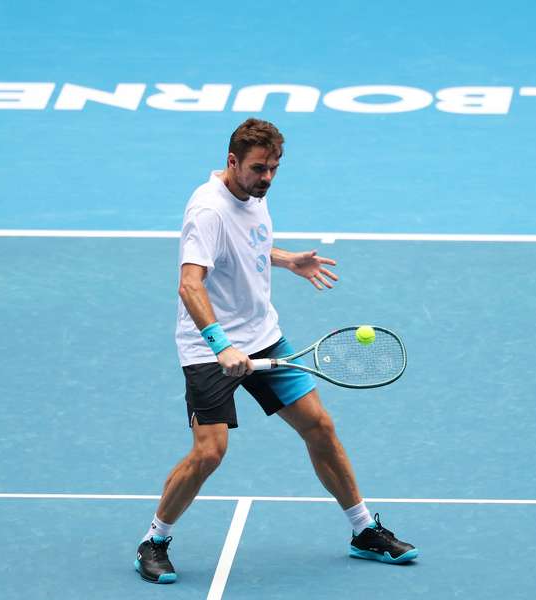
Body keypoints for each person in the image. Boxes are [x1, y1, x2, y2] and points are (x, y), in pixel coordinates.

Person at [134, 118, 417, 584]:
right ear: (232, 162)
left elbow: (249, 246)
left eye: (274, 169)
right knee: (209, 453)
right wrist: (221, 345)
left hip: (263, 335)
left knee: (320, 426)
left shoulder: (253, 196)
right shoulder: (208, 210)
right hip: (210, 347)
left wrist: (287, 260)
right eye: (258, 168)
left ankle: (364, 531)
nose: (267, 178)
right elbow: (190, 285)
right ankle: (154, 540)